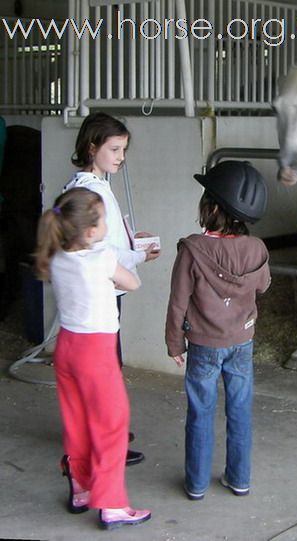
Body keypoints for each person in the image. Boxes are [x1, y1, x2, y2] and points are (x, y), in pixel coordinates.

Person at [35, 187, 151, 530]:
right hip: (95, 351)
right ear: (89, 230)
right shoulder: (100, 258)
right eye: (101, 219)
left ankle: (81, 486)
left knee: (77, 421)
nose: (105, 225)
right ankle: (112, 503)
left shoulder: (57, 257)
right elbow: (132, 284)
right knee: (112, 424)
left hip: (66, 347)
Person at [165, 161, 270, 500]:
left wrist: (174, 344)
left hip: (203, 346)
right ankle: (239, 479)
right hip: (242, 341)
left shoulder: (192, 249)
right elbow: (264, 285)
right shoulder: (257, 249)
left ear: (209, 208)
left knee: (200, 411)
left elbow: (178, 301)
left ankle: (196, 485)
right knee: (240, 410)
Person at [64, 112, 160, 467]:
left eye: (123, 149)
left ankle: (105, 431)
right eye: (115, 148)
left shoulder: (93, 185)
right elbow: (98, 247)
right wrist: (136, 256)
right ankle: (105, 441)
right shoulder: (89, 191)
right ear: (93, 147)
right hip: (101, 292)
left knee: (105, 367)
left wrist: (134, 249)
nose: (121, 156)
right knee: (105, 369)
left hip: (103, 289)